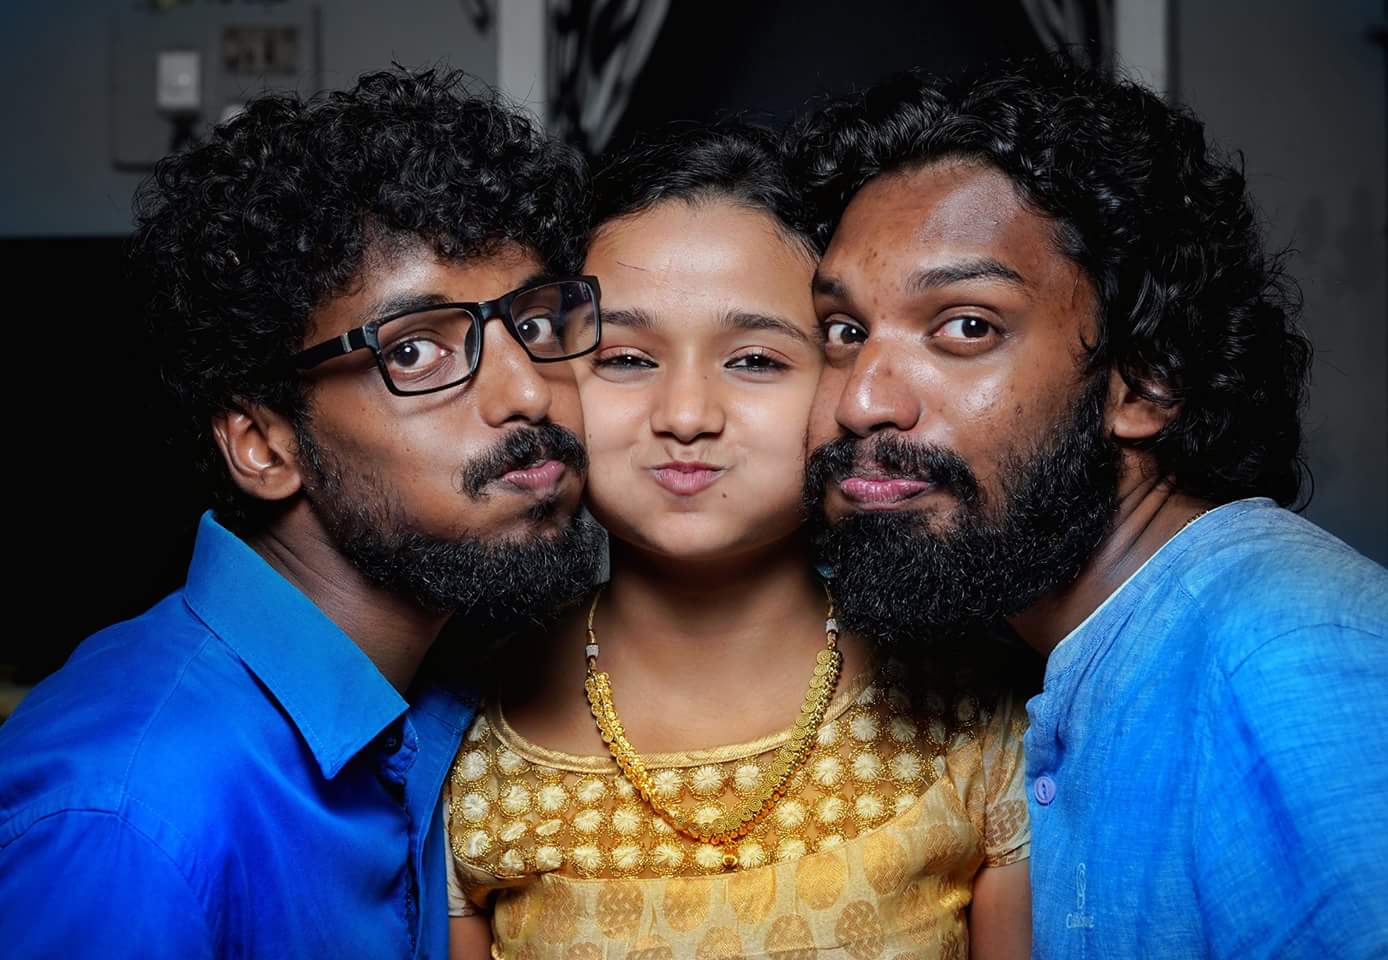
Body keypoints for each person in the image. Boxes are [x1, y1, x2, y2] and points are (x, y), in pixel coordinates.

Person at [0, 69, 605, 958]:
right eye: (417, 350)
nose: (529, 391)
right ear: (264, 445)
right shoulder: (129, 821)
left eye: (537, 325)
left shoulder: (455, 689)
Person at [792, 58, 1388, 958]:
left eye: (966, 326)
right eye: (844, 332)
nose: (861, 399)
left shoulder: (1292, 652)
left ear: (1145, 382)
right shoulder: (1039, 652)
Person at [444, 123, 1032, 960]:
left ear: (843, 381)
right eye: (626, 360)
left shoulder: (980, 712)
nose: (686, 415)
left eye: (754, 360)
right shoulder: (462, 741)